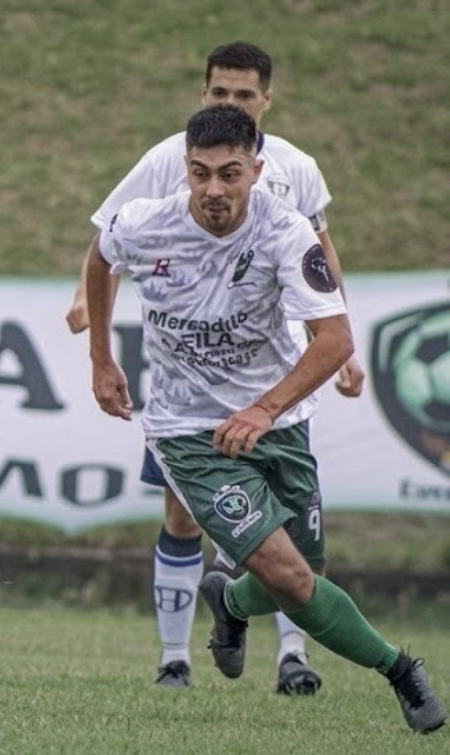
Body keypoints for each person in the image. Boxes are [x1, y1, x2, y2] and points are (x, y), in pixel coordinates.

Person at [85, 103, 446, 734]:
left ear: (256, 170)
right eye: (199, 174)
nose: (213, 190)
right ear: (184, 171)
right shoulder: (146, 223)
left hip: (276, 423)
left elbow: (333, 341)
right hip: (188, 430)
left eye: (229, 174)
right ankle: (401, 671)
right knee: (289, 576)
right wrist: (100, 360)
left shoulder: (286, 233)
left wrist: (264, 408)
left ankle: (228, 597)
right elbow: (99, 257)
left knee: (304, 573)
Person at [66, 41, 365, 693]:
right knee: (182, 513)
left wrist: (348, 345)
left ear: (267, 102)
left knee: (287, 527)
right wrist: (90, 319)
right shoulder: (168, 162)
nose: (231, 103)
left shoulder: (295, 168)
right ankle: (175, 657)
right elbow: (106, 240)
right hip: (193, 382)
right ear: (204, 95)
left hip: (279, 380)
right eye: (219, 93)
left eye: (244, 94)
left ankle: (294, 658)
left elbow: (322, 250)